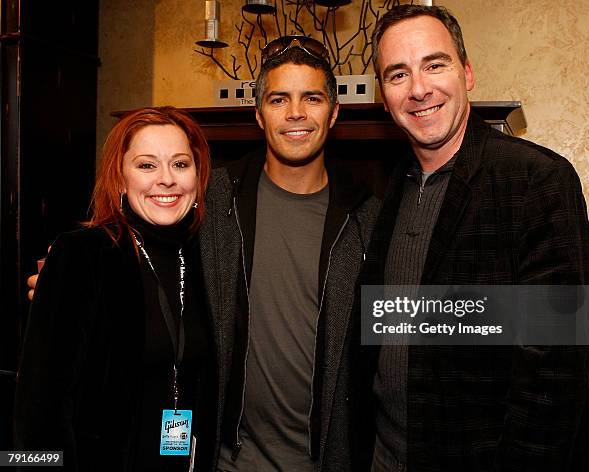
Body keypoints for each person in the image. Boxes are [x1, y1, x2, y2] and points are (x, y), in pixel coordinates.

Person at [355, 4, 589, 471]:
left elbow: (553, 371)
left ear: (467, 73)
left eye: (435, 64)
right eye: (397, 74)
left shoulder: (536, 179)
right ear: (383, 96)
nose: (419, 89)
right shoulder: (392, 191)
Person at [200, 37, 379, 471]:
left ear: (334, 113)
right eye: (279, 99)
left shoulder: (368, 218)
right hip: (227, 461)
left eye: (312, 98)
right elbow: (148, 252)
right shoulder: (213, 199)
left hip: (327, 461)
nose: (296, 113)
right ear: (259, 114)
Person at [15, 107, 216, 471]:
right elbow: (39, 408)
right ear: (120, 178)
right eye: (146, 165)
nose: (167, 180)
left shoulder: (208, 256)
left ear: (198, 176)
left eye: (181, 164)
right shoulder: (83, 254)